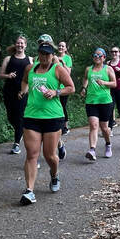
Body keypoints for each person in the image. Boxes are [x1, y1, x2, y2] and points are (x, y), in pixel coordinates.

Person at [18, 42, 75, 205]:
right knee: (31, 154)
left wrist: (56, 92)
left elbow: (71, 87)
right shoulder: (30, 68)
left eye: (48, 54)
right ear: (38, 54)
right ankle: (29, 191)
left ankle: (54, 175)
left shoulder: (58, 69)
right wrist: (24, 90)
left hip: (53, 117)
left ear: (52, 56)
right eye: (42, 54)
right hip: (31, 116)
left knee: (50, 155)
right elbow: (24, 81)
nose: (45, 57)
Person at [81, 48, 116, 161]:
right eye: (95, 55)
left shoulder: (108, 69)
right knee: (93, 125)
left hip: (105, 101)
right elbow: (85, 79)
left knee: (104, 128)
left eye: (100, 55)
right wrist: (84, 88)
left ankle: (108, 144)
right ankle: (92, 150)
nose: (97, 57)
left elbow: (114, 83)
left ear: (104, 58)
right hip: (91, 101)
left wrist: (104, 83)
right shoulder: (88, 69)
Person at [0, 36, 33, 154]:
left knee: (19, 117)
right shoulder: (8, 59)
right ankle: (21, 130)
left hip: (23, 92)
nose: (20, 45)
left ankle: (16, 144)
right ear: (15, 44)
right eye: (18, 43)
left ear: (25, 45)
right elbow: (1, 74)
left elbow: (33, 77)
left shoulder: (30, 60)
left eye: (22, 43)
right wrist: (8, 76)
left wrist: (25, 91)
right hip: (9, 91)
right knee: (10, 117)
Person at [57, 41, 73, 135]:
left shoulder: (68, 58)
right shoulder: (54, 57)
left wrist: (63, 63)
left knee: (62, 106)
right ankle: (58, 125)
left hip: (65, 87)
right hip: (55, 86)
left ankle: (65, 126)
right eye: (59, 46)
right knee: (57, 106)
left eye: (63, 46)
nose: (61, 47)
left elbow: (68, 73)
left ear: (65, 48)